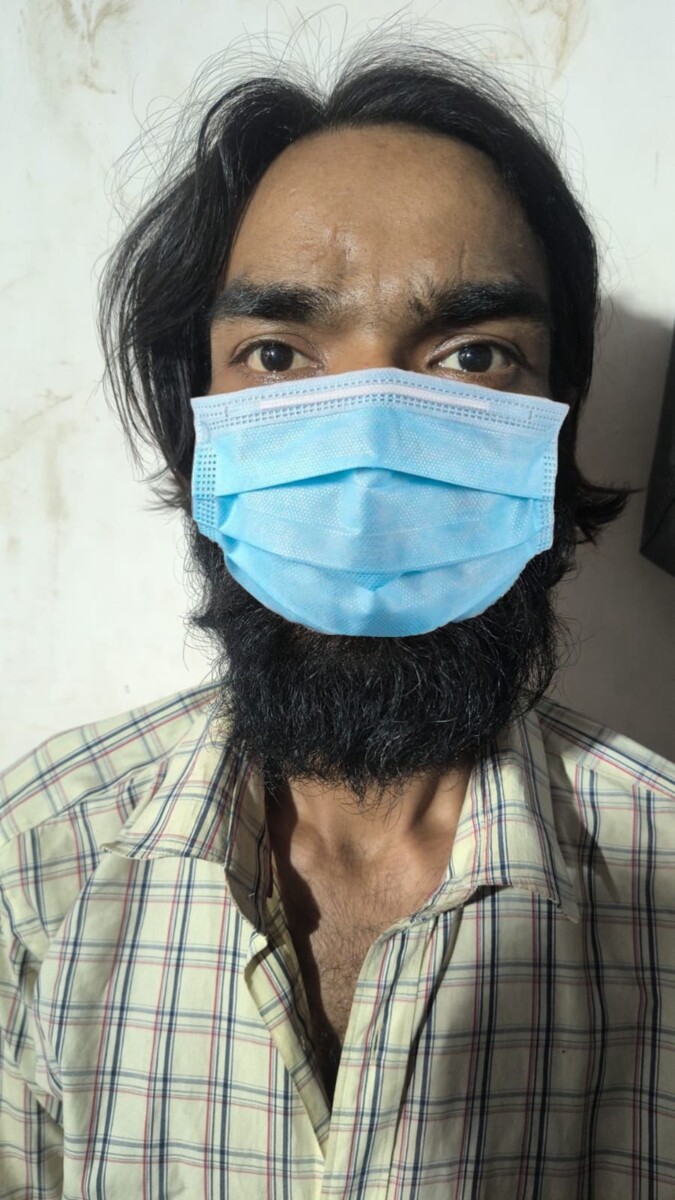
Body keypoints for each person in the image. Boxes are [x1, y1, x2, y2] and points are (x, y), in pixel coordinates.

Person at [1, 33, 674, 1199]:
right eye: (277, 354)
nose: (368, 476)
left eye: (473, 354)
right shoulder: (38, 865)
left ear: (558, 425)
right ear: (197, 421)